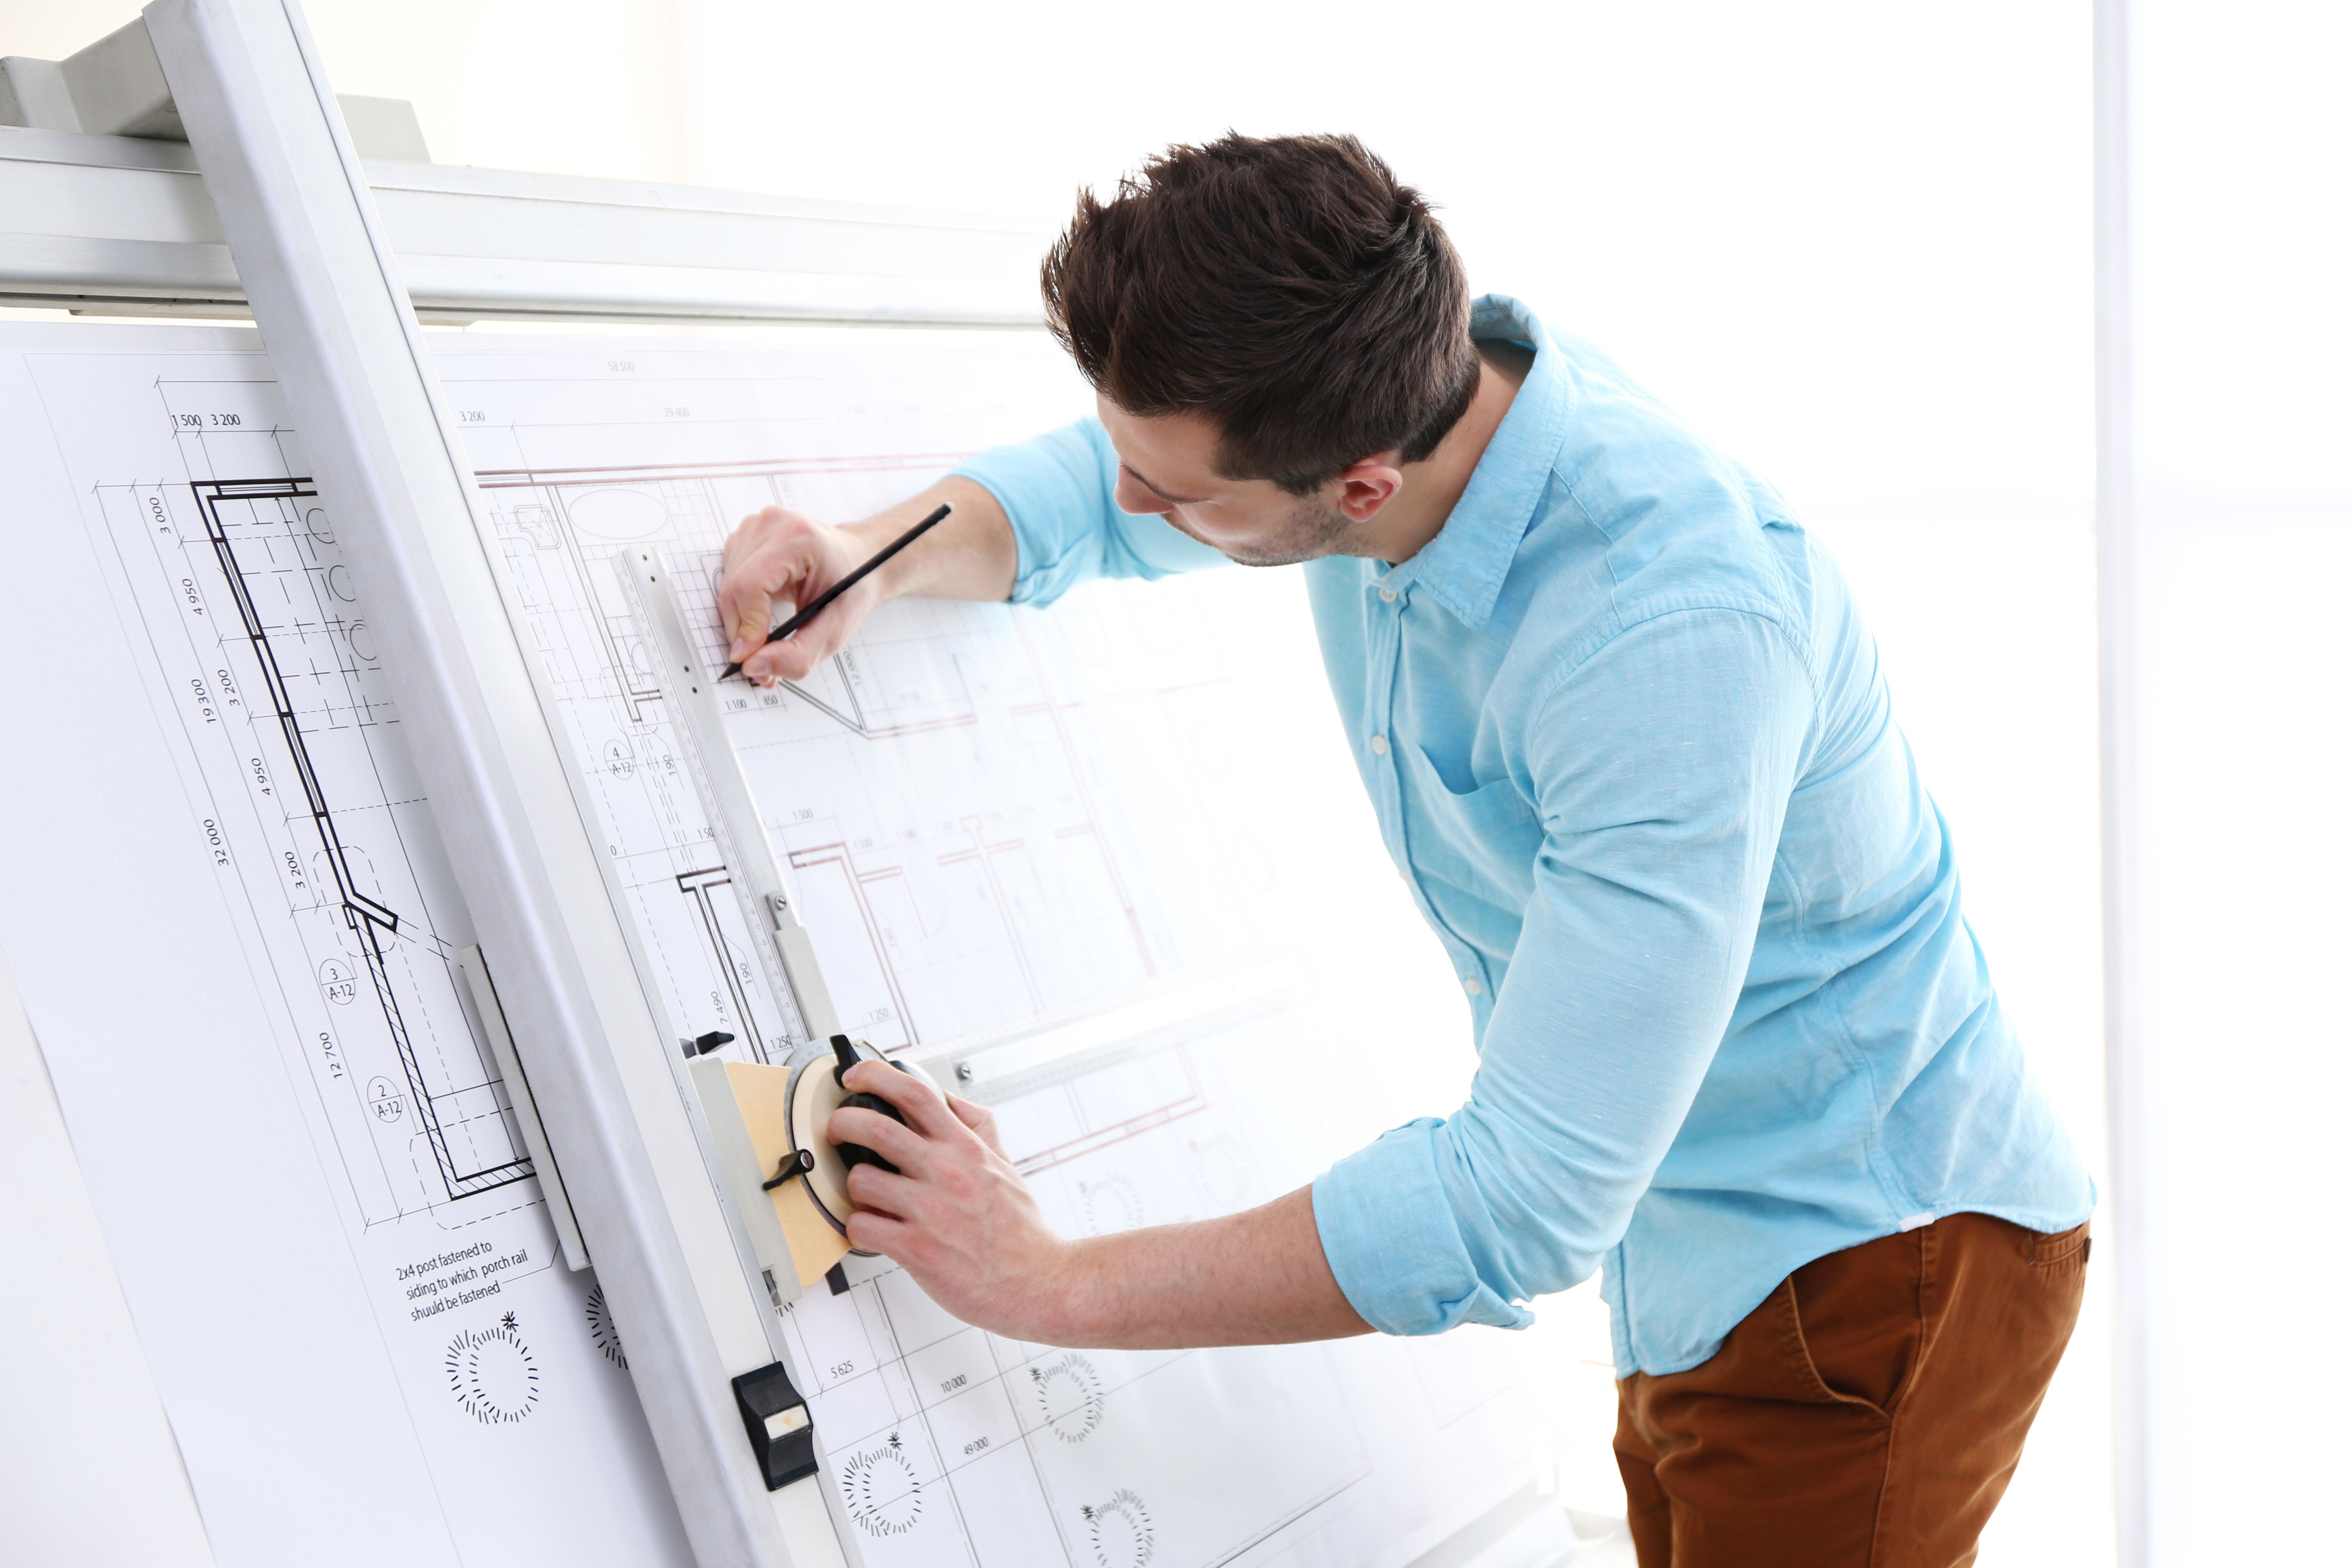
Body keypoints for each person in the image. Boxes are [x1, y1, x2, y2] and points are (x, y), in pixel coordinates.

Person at [715, 134, 2093, 1568]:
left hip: (1867, 1259)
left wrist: (1044, 1279)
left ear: (1357, 488)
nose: (1136, 504)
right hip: (1690, 1248)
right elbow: (1107, 483)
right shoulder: (1396, 404)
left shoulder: (1670, 635)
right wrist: (870, 547)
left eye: (1177, 495)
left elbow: (1520, 1199)